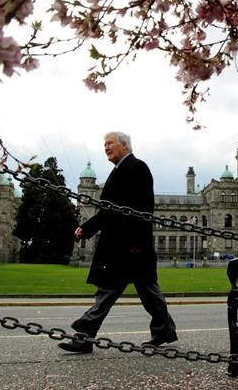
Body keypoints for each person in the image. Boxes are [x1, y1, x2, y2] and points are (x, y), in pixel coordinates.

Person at [58, 131, 178, 353]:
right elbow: (109, 210)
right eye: (104, 144)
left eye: (109, 143)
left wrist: (132, 244)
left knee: (121, 292)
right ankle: (163, 331)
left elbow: (139, 209)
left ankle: (84, 336)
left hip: (129, 246)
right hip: (123, 246)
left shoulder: (137, 167)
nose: (106, 147)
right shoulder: (119, 171)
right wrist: (87, 228)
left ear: (124, 145)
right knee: (139, 292)